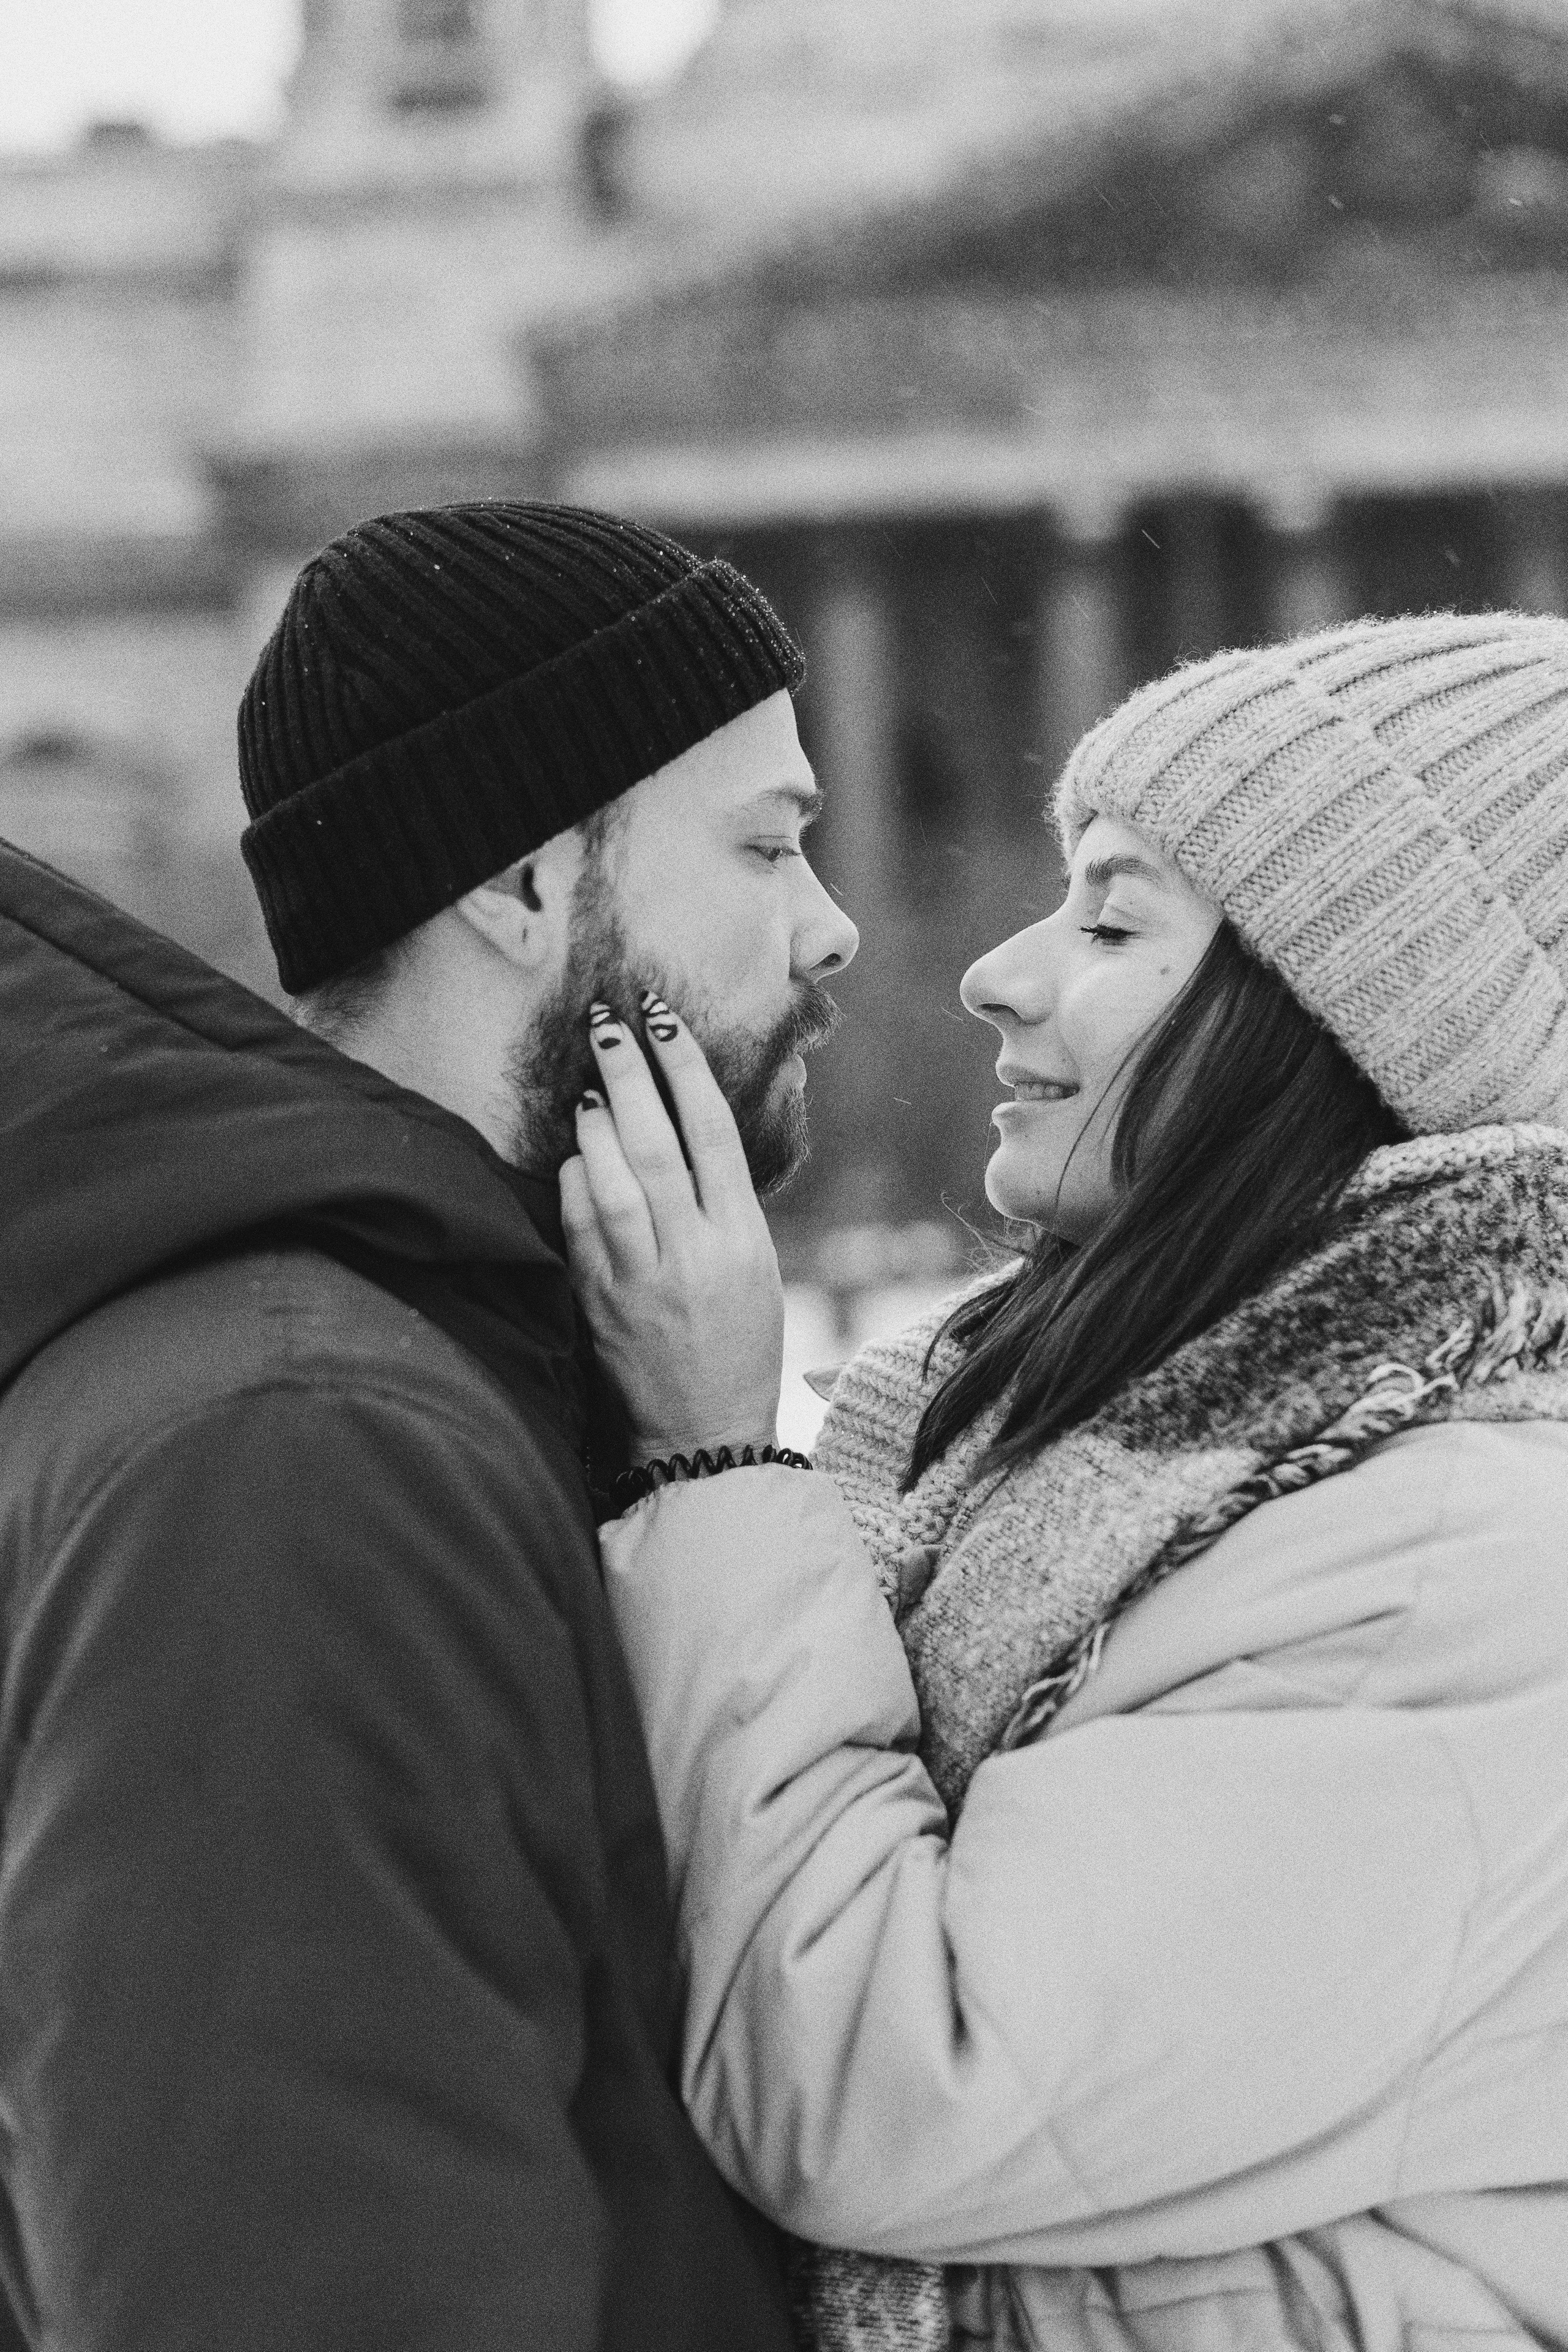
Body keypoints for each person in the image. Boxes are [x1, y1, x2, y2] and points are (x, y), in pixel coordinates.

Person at [561, 609, 1568, 2352]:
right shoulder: (1189, 1449)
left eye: (1114, 918)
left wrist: (719, 1458)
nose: (992, 972)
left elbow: (883, 2091)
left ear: (1346, 1023)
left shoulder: (1455, 1563)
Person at [0, 501, 856, 2350]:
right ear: (526, 888)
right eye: (768, 845)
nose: (835, 923)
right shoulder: (300, 1455)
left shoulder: (385, 1383)